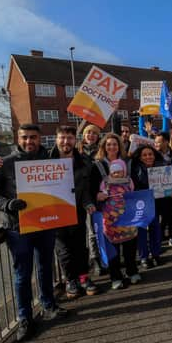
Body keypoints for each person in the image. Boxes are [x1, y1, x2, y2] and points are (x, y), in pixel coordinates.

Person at [0, 124, 67, 342]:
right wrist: (7, 204)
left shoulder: (50, 160)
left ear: (40, 138)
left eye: (33, 137)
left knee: (46, 267)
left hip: (44, 225)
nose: (29, 141)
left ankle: (48, 305)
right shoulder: (4, 163)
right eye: (25, 137)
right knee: (22, 274)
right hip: (18, 229)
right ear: (18, 138)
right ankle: (25, 317)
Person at [48, 126, 98, 298]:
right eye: (62, 137)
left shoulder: (83, 161)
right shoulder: (44, 159)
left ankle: (84, 277)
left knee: (80, 248)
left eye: (69, 138)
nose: (65, 141)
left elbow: (85, 189)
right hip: (54, 212)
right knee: (63, 250)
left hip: (77, 211)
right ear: (56, 139)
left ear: (75, 140)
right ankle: (71, 280)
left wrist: (89, 203)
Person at [90, 133, 141, 289]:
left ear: (120, 146)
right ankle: (115, 277)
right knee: (112, 245)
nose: (112, 147)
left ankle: (132, 271)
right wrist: (97, 195)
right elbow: (91, 188)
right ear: (103, 147)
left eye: (115, 144)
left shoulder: (128, 162)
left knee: (130, 243)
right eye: (108, 144)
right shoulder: (97, 165)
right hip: (108, 214)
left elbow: (136, 185)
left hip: (127, 211)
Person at [99, 159, 140, 289]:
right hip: (111, 222)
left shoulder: (129, 181)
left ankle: (132, 271)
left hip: (128, 220)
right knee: (113, 252)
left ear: (124, 171)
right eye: (114, 172)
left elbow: (134, 195)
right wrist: (100, 196)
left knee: (130, 249)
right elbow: (100, 196)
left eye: (119, 171)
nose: (117, 174)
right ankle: (115, 277)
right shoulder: (105, 183)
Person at [77, 124, 105, 276]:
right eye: (88, 132)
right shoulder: (77, 152)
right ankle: (95, 259)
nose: (91, 135)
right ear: (84, 135)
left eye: (94, 133)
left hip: (99, 194)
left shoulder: (101, 151)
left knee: (103, 227)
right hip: (83, 197)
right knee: (91, 231)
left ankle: (106, 256)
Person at [131, 144, 164, 268]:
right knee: (142, 231)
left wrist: (169, 191)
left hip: (156, 204)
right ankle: (144, 257)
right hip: (141, 205)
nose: (148, 157)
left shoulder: (161, 167)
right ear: (140, 157)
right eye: (144, 155)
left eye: (150, 154)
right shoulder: (135, 169)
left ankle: (156, 254)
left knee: (156, 229)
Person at [153, 132, 172, 248]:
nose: (156, 144)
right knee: (159, 216)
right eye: (155, 142)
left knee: (171, 214)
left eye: (159, 142)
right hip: (156, 192)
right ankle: (158, 239)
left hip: (171, 191)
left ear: (166, 142)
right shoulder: (152, 155)